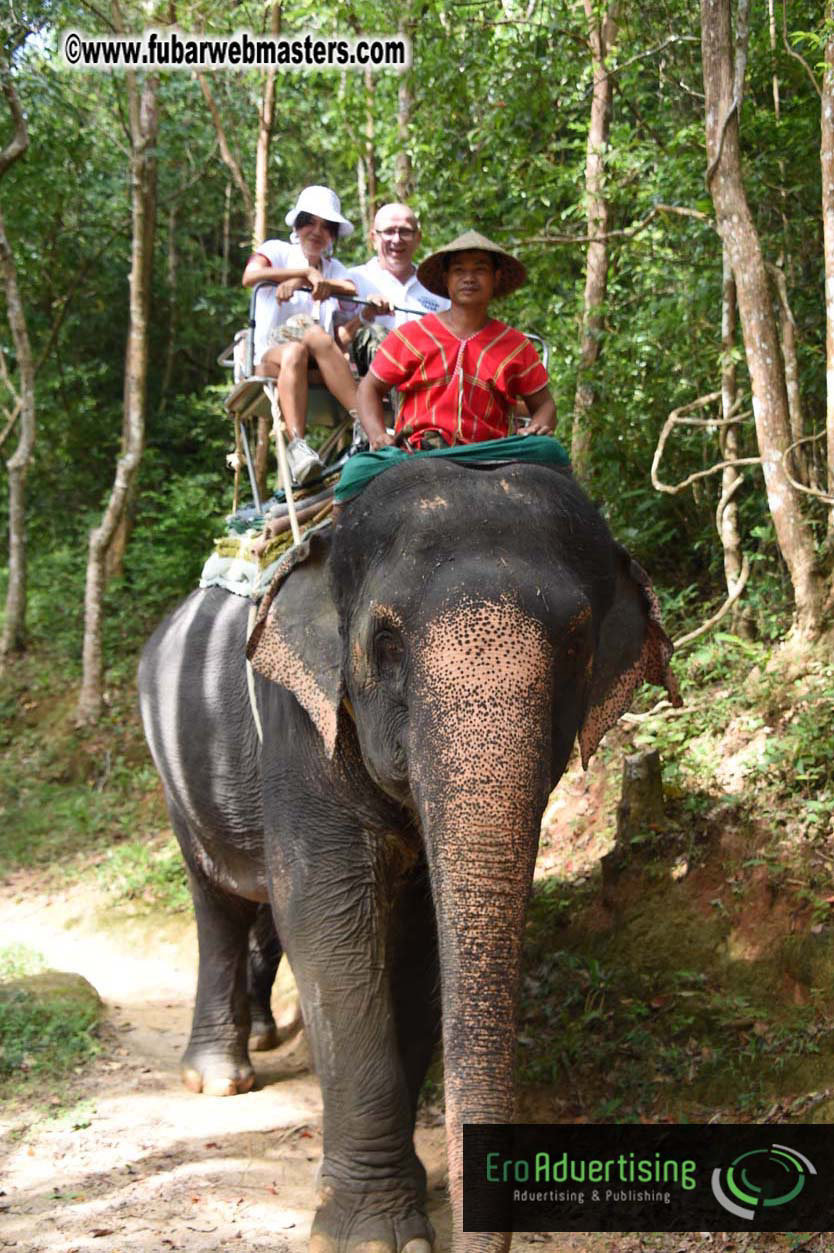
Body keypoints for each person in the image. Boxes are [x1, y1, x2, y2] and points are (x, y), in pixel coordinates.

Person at [356, 230, 556, 451]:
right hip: (416, 450)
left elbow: (545, 404)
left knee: (551, 452)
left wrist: (537, 427)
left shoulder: (516, 346)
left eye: (480, 270)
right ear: (446, 278)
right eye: (459, 270)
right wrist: (378, 435)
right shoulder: (409, 335)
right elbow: (369, 388)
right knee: (357, 471)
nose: (469, 278)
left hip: (493, 453)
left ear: (496, 278)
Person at [242, 185, 360, 484]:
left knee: (311, 341)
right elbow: (250, 276)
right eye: (310, 222)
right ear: (298, 224)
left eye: (326, 226)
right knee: (300, 342)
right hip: (272, 353)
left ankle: (361, 426)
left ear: (333, 234)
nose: (317, 232)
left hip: (315, 362)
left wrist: (321, 282)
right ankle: (299, 443)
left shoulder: (333, 268)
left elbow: (351, 289)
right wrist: (298, 276)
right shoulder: (278, 251)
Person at [340, 202, 450, 374]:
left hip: (426, 384)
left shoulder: (436, 287)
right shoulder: (352, 280)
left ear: (418, 238)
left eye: (405, 232)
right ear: (374, 238)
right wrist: (365, 316)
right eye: (389, 231)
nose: (397, 239)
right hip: (368, 386)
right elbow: (336, 343)